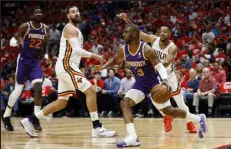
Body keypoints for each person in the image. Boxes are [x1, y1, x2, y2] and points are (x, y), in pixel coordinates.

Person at [97, 24, 207, 147]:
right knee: (125, 103)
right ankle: (132, 137)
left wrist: (164, 80)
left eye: (125, 32)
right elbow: (115, 60)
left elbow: (160, 66)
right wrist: (103, 66)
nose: (123, 34)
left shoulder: (146, 49)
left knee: (168, 111)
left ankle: (198, 119)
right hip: (140, 84)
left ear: (133, 34)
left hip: (154, 83)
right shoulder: (124, 49)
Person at [20, 6, 116, 138]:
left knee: (62, 102)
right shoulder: (70, 28)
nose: (76, 13)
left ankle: (30, 120)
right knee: (91, 91)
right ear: (68, 16)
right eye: (73, 12)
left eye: (77, 11)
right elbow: (76, 51)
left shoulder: (75, 29)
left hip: (66, 66)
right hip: (67, 65)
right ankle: (97, 127)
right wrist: (95, 56)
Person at [119, 13, 198, 133]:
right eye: (160, 31)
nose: (162, 33)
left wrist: (155, 65)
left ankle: (190, 122)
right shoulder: (153, 40)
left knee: (180, 103)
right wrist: (127, 20)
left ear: (170, 34)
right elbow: (138, 33)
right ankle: (166, 116)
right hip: (155, 76)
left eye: (165, 31)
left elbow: (166, 62)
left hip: (169, 76)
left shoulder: (172, 47)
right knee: (156, 98)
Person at [2, 6, 50, 131]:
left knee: (39, 87)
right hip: (23, 61)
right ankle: (6, 115)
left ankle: (35, 119)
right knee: (18, 90)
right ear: (32, 15)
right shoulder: (25, 26)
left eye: (40, 12)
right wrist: (17, 41)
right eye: (36, 12)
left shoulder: (46, 28)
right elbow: (12, 41)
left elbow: (46, 44)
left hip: (35, 62)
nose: (39, 13)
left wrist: (46, 56)